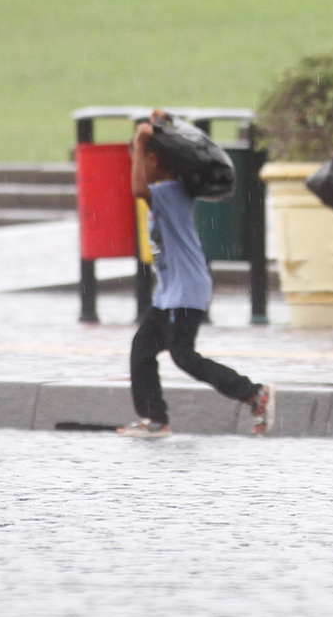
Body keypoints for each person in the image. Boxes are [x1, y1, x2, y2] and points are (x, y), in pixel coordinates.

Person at [117, 110, 274, 439]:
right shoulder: (170, 189)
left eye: (140, 160)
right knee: (142, 350)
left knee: (183, 356)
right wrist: (159, 126)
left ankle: (253, 393)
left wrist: (143, 139)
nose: (137, 167)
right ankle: (155, 419)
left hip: (185, 292)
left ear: (157, 161)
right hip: (170, 294)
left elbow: (136, 190)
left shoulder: (171, 192)